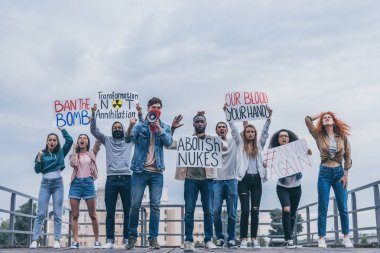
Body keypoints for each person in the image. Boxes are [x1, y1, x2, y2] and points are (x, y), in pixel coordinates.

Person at [125, 97, 173, 250]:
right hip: (140, 171)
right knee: (134, 205)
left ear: (160, 110)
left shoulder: (164, 126)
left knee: (155, 206)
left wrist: (158, 128)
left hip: (156, 172)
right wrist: (130, 126)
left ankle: (153, 239)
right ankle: (132, 238)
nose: (155, 109)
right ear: (148, 109)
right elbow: (127, 139)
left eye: (158, 107)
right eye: (153, 107)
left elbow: (169, 142)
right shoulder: (141, 126)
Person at [90, 103, 139, 249]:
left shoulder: (129, 140)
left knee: (127, 211)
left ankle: (125, 239)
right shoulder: (107, 140)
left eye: (119, 127)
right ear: (112, 130)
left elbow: (139, 129)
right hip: (111, 180)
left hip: (127, 179)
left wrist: (138, 116)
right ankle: (110, 240)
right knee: (110, 211)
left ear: (123, 130)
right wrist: (93, 114)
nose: (117, 129)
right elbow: (93, 130)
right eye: (115, 128)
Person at [305, 112, 353, 248]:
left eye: (329, 117)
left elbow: (348, 155)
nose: (326, 118)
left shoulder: (341, 136)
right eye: (324, 118)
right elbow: (307, 120)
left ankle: (346, 236)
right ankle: (321, 237)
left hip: (339, 174)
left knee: (343, 205)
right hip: (324, 173)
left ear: (333, 121)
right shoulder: (319, 135)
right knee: (323, 206)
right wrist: (320, 114)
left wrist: (346, 174)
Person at [227, 105, 272, 248]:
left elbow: (265, 132)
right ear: (245, 133)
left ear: (255, 133)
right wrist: (227, 112)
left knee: (255, 210)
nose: (250, 133)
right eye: (248, 131)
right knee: (245, 211)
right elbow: (234, 130)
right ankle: (244, 239)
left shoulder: (259, 144)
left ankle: (254, 239)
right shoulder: (240, 144)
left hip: (257, 180)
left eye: (252, 132)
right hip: (244, 180)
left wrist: (268, 118)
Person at [175, 111, 217, 252]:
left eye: (202, 121)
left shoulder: (212, 139)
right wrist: (173, 129)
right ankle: (188, 240)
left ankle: (208, 240)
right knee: (189, 211)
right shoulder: (187, 140)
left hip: (208, 180)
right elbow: (169, 145)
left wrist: (209, 138)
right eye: (197, 121)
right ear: (194, 124)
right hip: (190, 180)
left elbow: (225, 146)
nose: (199, 123)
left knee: (209, 211)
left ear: (205, 124)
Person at [29, 128, 73, 249]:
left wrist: (63, 130)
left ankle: (57, 240)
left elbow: (70, 141)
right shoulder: (42, 154)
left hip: (58, 184)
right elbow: (37, 170)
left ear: (57, 142)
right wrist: (38, 159)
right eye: (50, 140)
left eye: (54, 140)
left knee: (58, 213)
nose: (52, 142)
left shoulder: (61, 153)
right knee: (41, 213)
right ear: (47, 142)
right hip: (45, 184)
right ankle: (35, 239)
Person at [268, 129, 310, 248]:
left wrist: (308, 153)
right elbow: (269, 166)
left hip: (296, 187)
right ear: (278, 139)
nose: (284, 138)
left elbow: (306, 157)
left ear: (289, 138)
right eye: (281, 136)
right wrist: (266, 164)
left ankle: (288, 238)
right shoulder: (273, 153)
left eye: (286, 136)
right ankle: (288, 239)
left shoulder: (295, 151)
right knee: (286, 209)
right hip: (282, 187)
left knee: (292, 214)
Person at [68, 134, 101, 249]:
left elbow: (98, 141)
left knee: (93, 215)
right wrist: (74, 150)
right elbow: (74, 164)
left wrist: (94, 123)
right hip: (76, 184)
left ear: (88, 142)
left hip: (88, 183)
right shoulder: (74, 155)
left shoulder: (92, 153)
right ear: (78, 141)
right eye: (80, 138)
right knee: (75, 214)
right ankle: (75, 241)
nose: (82, 139)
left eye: (85, 138)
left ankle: (97, 240)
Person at [213, 120, 238, 249]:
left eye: (224, 127)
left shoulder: (233, 142)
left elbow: (237, 132)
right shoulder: (211, 144)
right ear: (216, 130)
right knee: (215, 211)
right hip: (216, 181)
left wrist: (230, 118)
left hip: (232, 180)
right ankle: (220, 238)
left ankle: (232, 238)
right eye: (219, 127)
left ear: (227, 130)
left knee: (232, 212)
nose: (221, 129)